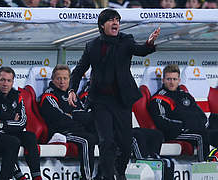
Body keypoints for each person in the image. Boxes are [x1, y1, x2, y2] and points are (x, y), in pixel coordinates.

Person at [68, 9, 160, 180]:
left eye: (117, 19)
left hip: (121, 100)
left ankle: (120, 172)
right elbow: (79, 70)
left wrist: (149, 44)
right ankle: (108, 177)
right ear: (102, 25)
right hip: (100, 101)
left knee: (125, 143)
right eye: (111, 20)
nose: (115, 22)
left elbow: (140, 50)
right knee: (106, 141)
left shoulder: (126, 40)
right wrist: (72, 90)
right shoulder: (92, 45)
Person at [40, 64, 97, 180]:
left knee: (103, 136)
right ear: (53, 79)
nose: (62, 82)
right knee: (86, 141)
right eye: (58, 78)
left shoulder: (72, 94)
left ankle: (104, 173)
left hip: (77, 130)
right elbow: (59, 119)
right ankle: (87, 177)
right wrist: (78, 118)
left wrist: (73, 116)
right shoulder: (49, 96)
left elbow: (85, 114)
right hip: (61, 133)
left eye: (65, 78)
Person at [0, 67, 42, 180]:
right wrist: (11, 119)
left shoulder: (17, 95)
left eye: (9, 81)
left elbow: (22, 122)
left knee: (30, 136)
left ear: (13, 82)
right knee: (12, 141)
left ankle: (37, 176)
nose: (5, 84)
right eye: (2, 80)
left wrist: (3, 122)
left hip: (9, 131)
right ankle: (18, 176)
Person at [149, 64, 210, 160]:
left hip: (192, 129)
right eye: (168, 79)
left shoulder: (185, 94)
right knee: (200, 136)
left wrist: (201, 124)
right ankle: (205, 169)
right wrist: (185, 126)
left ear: (179, 80)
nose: (172, 82)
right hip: (174, 133)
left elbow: (199, 113)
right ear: (163, 80)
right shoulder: (159, 99)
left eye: (174, 79)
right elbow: (161, 121)